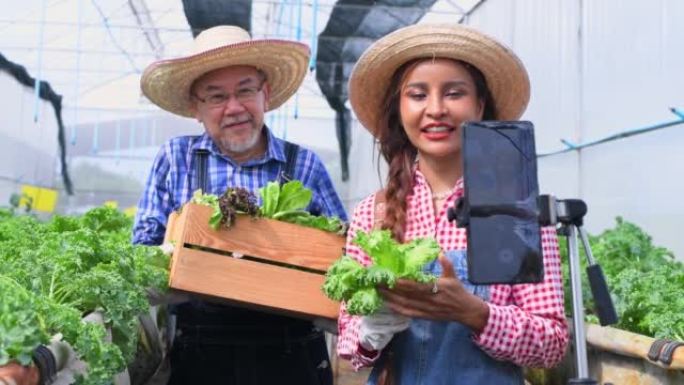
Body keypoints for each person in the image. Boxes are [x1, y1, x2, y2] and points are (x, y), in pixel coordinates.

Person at [337, 24, 569, 384]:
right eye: (417, 94)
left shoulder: (514, 209)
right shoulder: (374, 211)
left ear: (479, 105)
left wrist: (476, 314)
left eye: (454, 93)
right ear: (399, 109)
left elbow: (552, 342)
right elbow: (350, 344)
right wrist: (369, 331)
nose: (435, 109)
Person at [133, 25, 347, 385]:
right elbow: (142, 248)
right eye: (216, 97)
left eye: (245, 91)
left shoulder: (304, 165)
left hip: (292, 353)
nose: (234, 108)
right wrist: (181, 267)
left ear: (266, 94)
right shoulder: (177, 158)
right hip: (201, 354)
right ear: (195, 108)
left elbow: (344, 255)